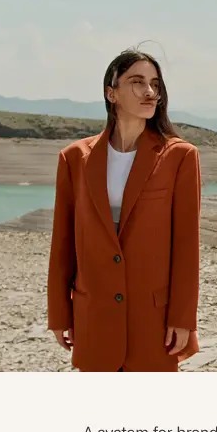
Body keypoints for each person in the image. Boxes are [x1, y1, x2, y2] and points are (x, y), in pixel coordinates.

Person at [47, 48, 202, 371]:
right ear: (111, 92)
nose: (149, 92)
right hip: (94, 314)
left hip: (154, 320)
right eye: (137, 82)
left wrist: (182, 318)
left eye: (155, 84)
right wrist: (60, 314)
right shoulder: (74, 158)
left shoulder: (180, 157)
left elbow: (186, 246)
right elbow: (63, 243)